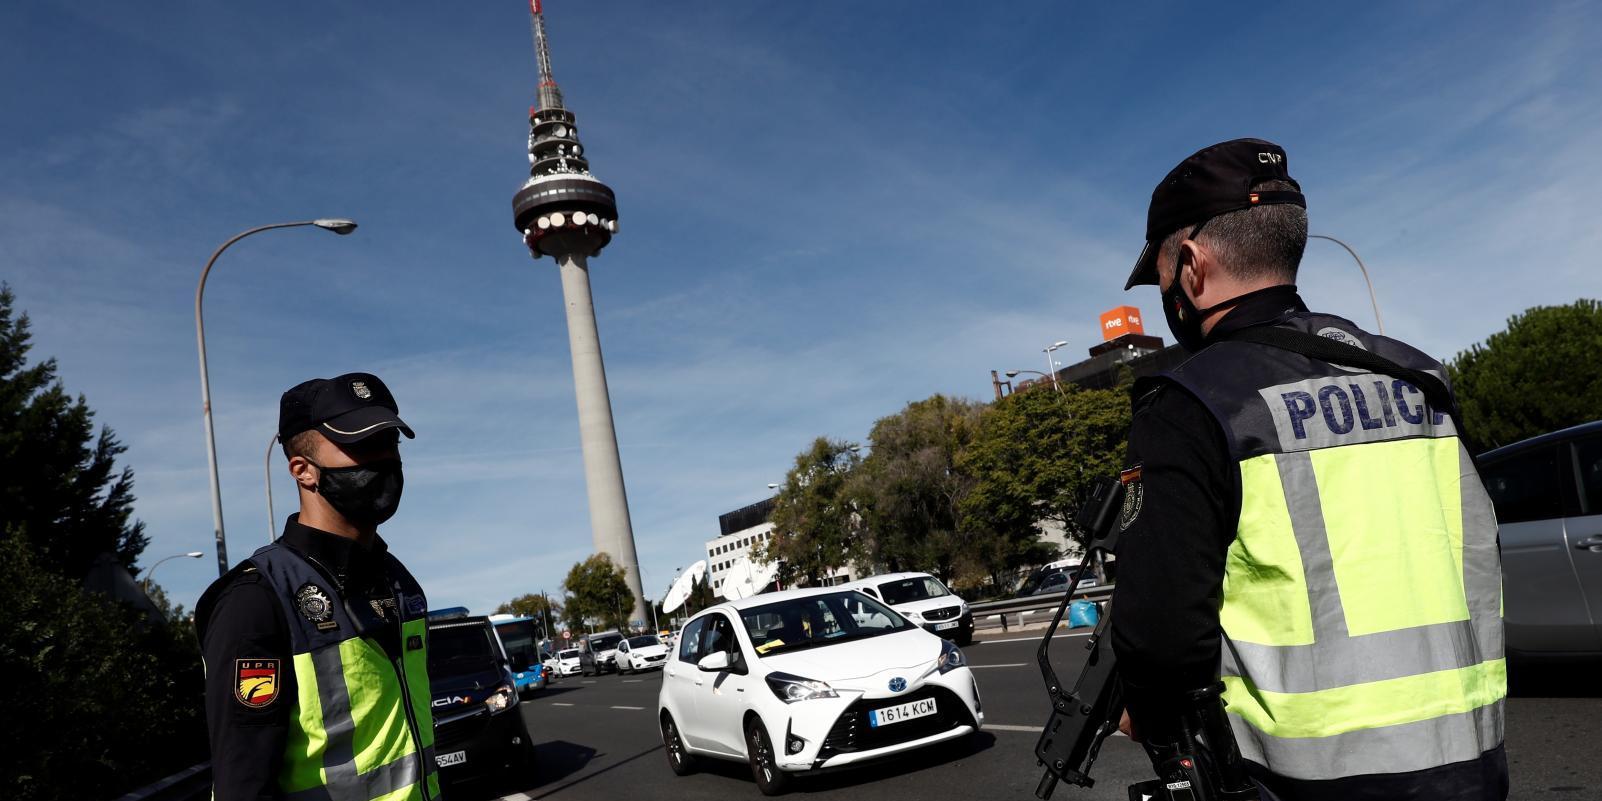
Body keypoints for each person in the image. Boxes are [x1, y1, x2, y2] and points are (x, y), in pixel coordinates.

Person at [1109, 139, 1506, 800]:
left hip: (1309, 782)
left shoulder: (1191, 403)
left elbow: (1162, 636)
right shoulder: (1420, 377)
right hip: (1473, 765)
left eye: (1164, 274)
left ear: (1193, 264)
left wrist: (1147, 709)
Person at [196, 373, 442, 801]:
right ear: (303, 470)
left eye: (390, 442)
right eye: (362, 446)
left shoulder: (397, 580)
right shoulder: (256, 600)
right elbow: (243, 785)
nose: (385, 459)